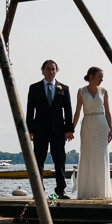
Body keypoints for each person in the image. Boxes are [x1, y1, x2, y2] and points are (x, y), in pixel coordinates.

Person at [26, 59, 75, 198]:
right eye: (48, 68)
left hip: (58, 130)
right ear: (43, 70)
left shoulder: (63, 88)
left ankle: (60, 190)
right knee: (38, 160)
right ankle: (38, 190)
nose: (51, 71)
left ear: (56, 71)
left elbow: (68, 110)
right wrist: (29, 130)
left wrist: (69, 129)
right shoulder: (34, 88)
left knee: (59, 160)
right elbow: (30, 110)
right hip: (40, 130)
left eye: (53, 69)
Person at [72, 66, 112, 199]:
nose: (102, 79)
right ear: (91, 77)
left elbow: (107, 111)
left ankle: (101, 192)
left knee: (101, 157)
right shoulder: (81, 91)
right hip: (87, 123)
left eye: (102, 77)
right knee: (87, 155)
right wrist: (71, 129)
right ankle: (86, 191)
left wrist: (111, 128)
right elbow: (77, 111)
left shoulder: (104, 91)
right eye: (99, 76)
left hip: (101, 124)